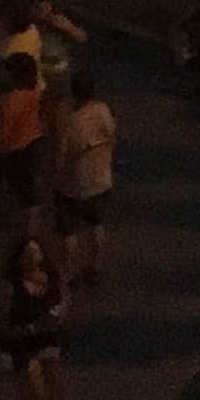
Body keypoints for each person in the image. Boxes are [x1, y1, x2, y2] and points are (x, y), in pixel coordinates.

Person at [0, 233, 70, 400]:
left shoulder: (51, 276)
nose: (33, 257)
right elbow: (2, 321)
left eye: (36, 252)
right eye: (27, 254)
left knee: (52, 388)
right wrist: (24, 330)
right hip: (21, 346)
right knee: (36, 398)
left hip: (46, 340)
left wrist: (53, 318)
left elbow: (63, 302)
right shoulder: (11, 288)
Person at [45, 66, 119, 291]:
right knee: (96, 225)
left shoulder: (70, 122)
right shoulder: (103, 111)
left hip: (71, 184)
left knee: (68, 232)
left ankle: (66, 273)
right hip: (100, 180)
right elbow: (111, 135)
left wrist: (53, 177)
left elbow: (60, 155)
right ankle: (94, 266)